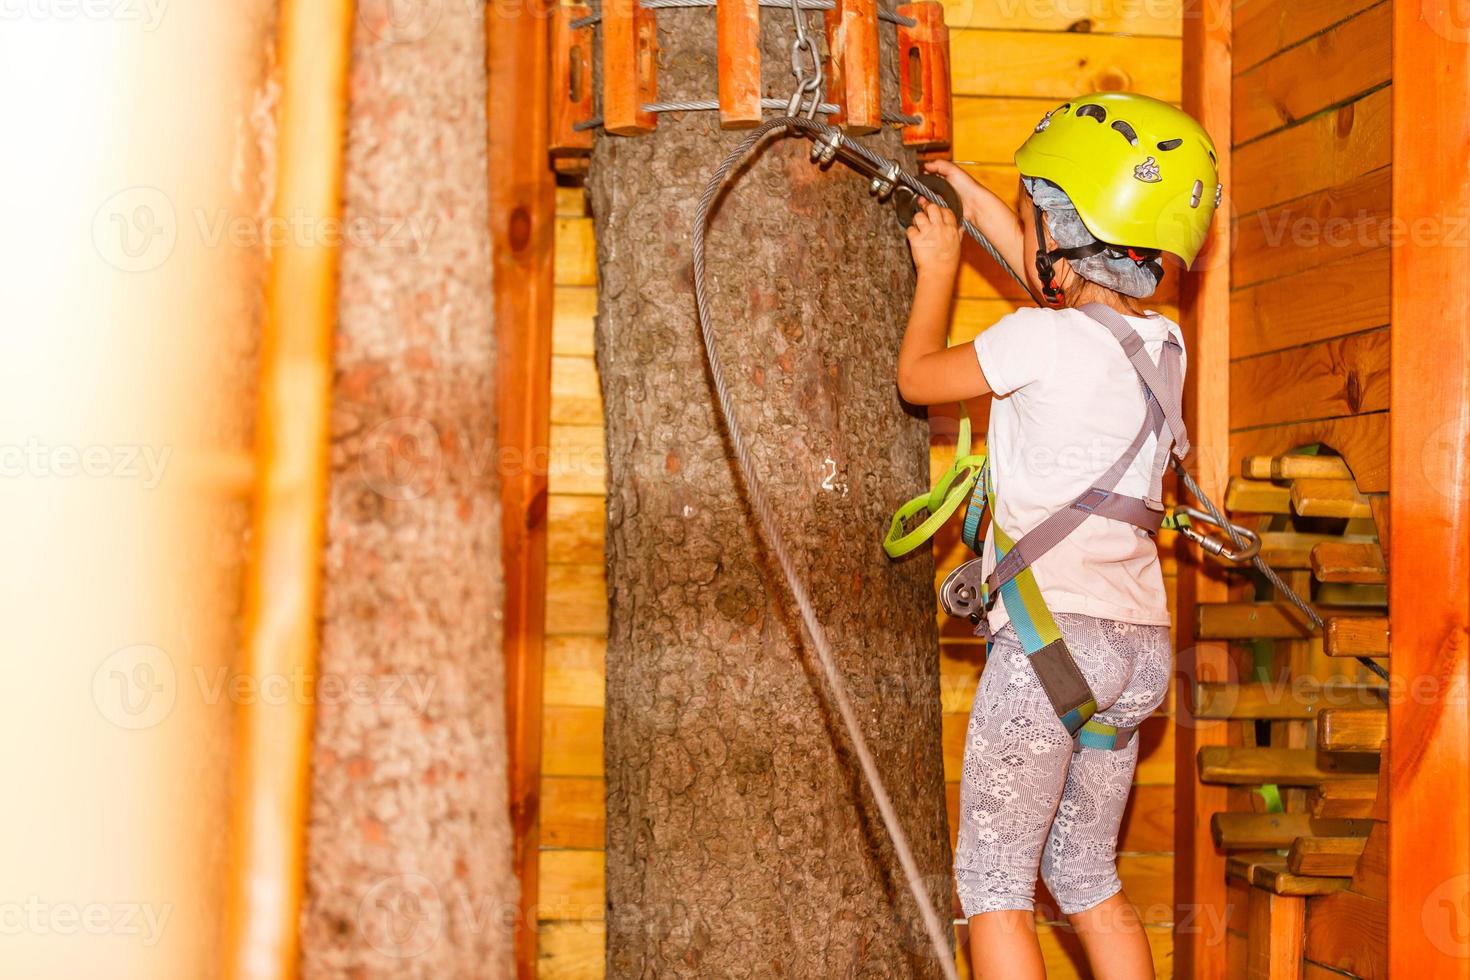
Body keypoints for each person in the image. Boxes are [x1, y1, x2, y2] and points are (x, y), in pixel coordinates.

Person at [896, 92, 1220, 979]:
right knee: (1082, 871)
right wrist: (964, 193)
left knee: (994, 881)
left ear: (1066, 237)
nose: (1026, 231)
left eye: (1037, 213)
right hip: (1137, 652)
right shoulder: (1165, 346)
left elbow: (920, 378)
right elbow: (1057, 269)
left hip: (1051, 645)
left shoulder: (1030, 340)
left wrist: (938, 268)